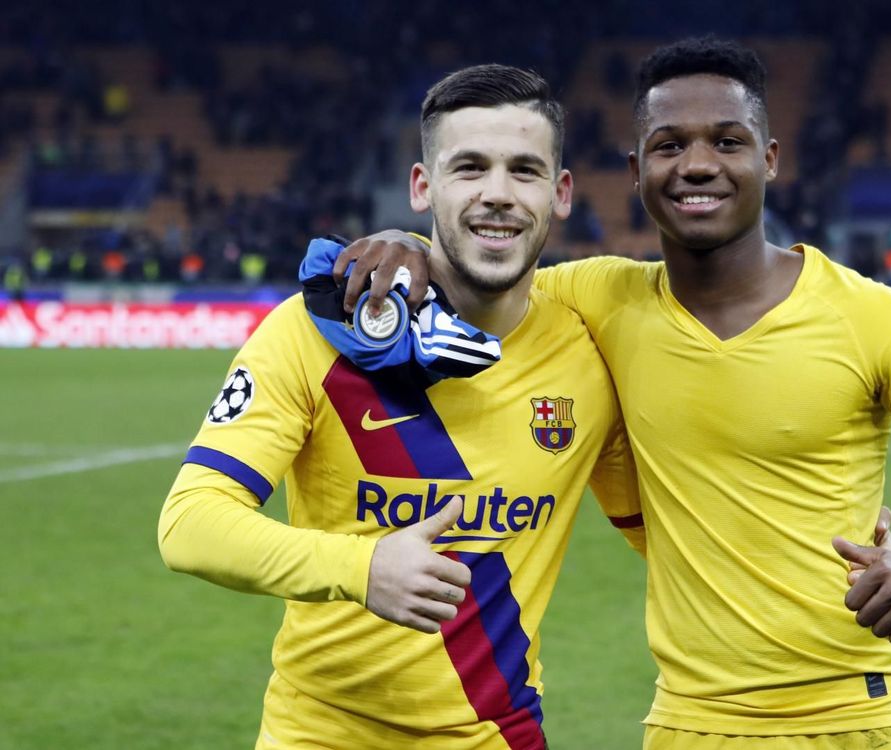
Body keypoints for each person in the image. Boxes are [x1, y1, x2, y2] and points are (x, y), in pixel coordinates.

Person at [341, 37, 891, 749]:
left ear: (768, 159)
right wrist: (409, 244)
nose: (696, 164)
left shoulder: (870, 317)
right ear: (636, 171)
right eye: (669, 145)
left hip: (854, 718)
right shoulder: (598, 298)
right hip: (687, 723)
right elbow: (481, 274)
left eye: (727, 141)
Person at [157, 65, 649, 750]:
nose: (497, 193)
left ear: (561, 193)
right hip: (319, 734)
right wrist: (362, 569)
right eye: (469, 167)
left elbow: (665, 536)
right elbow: (190, 523)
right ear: (423, 186)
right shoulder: (317, 329)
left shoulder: (589, 355)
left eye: (525, 170)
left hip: (495, 734)